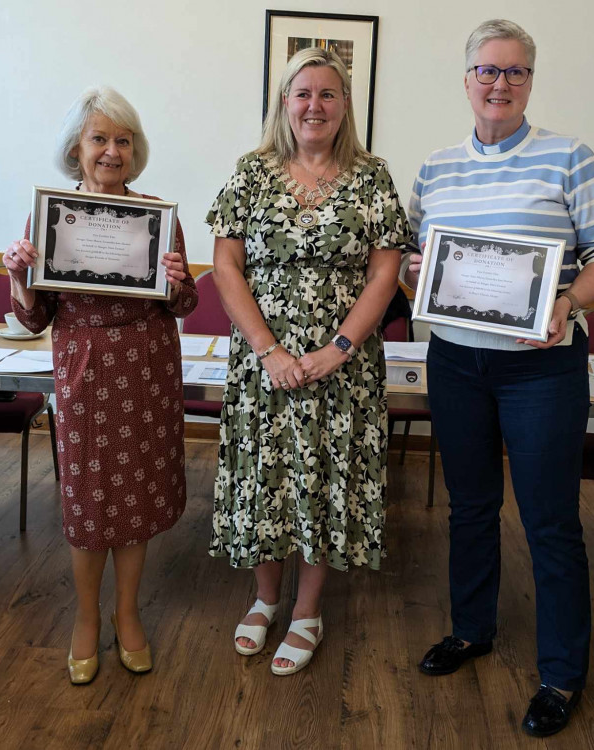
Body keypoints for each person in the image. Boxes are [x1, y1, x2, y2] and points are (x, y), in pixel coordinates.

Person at [403, 20, 594, 737]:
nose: (499, 84)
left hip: (542, 368)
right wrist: (416, 271)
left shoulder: (569, 157)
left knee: (550, 520)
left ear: (531, 81)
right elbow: (413, 255)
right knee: (469, 507)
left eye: (514, 72)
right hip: (456, 361)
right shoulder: (436, 167)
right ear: (466, 78)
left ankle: (561, 674)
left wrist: (568, 300)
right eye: (487, 70)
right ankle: (473, 629)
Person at [206, 47, 408, 676]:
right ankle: (266, 600)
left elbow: (385, 271)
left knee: (323, 482)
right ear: (285, 104)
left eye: (327, 94)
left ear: (345, 105)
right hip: (263, 364)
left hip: (342, 365)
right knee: (264, 480)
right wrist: (269, 350)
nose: (314, 105)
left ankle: (307, 612)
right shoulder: (251, 172)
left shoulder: (371, 175)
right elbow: (225, 265)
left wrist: (337, 349)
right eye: (303, 94)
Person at [3, 86, 198, 684]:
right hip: (84, 366)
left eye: (123, 140)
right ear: (76, 149)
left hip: (147, 364)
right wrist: (19, 276)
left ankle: (127, 613)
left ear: (134, 150)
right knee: (88, 502)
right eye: (100, 139)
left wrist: (175, 280)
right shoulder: (49, 216)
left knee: (134, 495)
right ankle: (86, 620)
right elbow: (35, 319)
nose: (112, 151)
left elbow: (186, 304)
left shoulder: (159, 214)